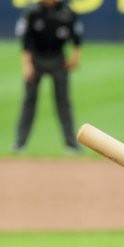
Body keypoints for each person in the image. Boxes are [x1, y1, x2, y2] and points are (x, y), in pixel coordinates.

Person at [12, 0, 83, 154]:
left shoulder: (67, 12)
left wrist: (76, 55)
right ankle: (20, 143)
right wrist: (27, 64)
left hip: (58, 59)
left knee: (63, 101)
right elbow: (25, 40)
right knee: (29, 101)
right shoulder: (32, 11)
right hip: (36, 58)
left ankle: (71, 144)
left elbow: (77, 36)